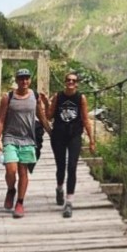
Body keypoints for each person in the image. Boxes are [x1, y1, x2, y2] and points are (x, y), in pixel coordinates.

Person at [0, 68, 50, 218]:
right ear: (17, 80)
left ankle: (20, 202)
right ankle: (11, 190)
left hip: (28, 139)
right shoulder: (8, 97)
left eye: (27, 78)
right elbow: (0, 120)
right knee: (11, 170)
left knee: (23, 171)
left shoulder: (35, 97)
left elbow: (42, 117)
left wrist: (52, 133)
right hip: (10, 138)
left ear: (30, 80)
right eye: (21, 79)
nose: (24, 81)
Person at [41, 72, 95, 218]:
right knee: (61, 167)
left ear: (77, 83)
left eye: (74, 80)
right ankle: (59, 188)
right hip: (58, 135)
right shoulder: (58, 96)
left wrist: (91, 140)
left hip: (74, 136)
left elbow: (85, 119)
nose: (71, 82)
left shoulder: (80, 98)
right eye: (68, 80)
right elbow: (49, 116)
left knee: (72, 167)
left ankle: (69, 202)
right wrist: (46, 103)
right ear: (65, 82)